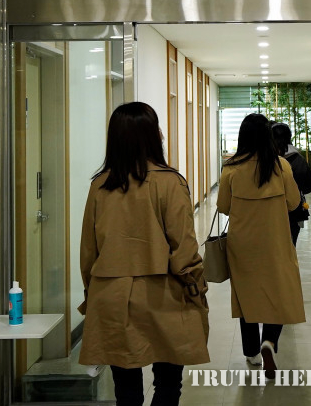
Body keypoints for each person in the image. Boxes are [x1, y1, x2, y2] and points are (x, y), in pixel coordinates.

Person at [78, 102, 209, 406]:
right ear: (151, 135)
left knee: (126, 389)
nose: (161, 133)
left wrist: (92, 291)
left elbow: (88, 251)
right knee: (168, 383)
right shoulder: (170, 182)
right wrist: (196, 288)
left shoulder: (100, 185)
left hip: (111, 295)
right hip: (164, 294)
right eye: (157, 127)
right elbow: (184, 248)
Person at [216, 113, 306, 379]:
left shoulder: (231, 168)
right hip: (276, 242)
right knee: (278, 292)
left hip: (242, 244)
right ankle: (269, 341)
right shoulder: (280, 166)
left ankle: (252, 352)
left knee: (246, 296)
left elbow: (223, 207)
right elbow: (293, 203)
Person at [271, 122, 311, 245]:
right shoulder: (299, 159)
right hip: (294, 210)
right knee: (291, 244)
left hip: (271, 209)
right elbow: (310, 185)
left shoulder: (267, 160)